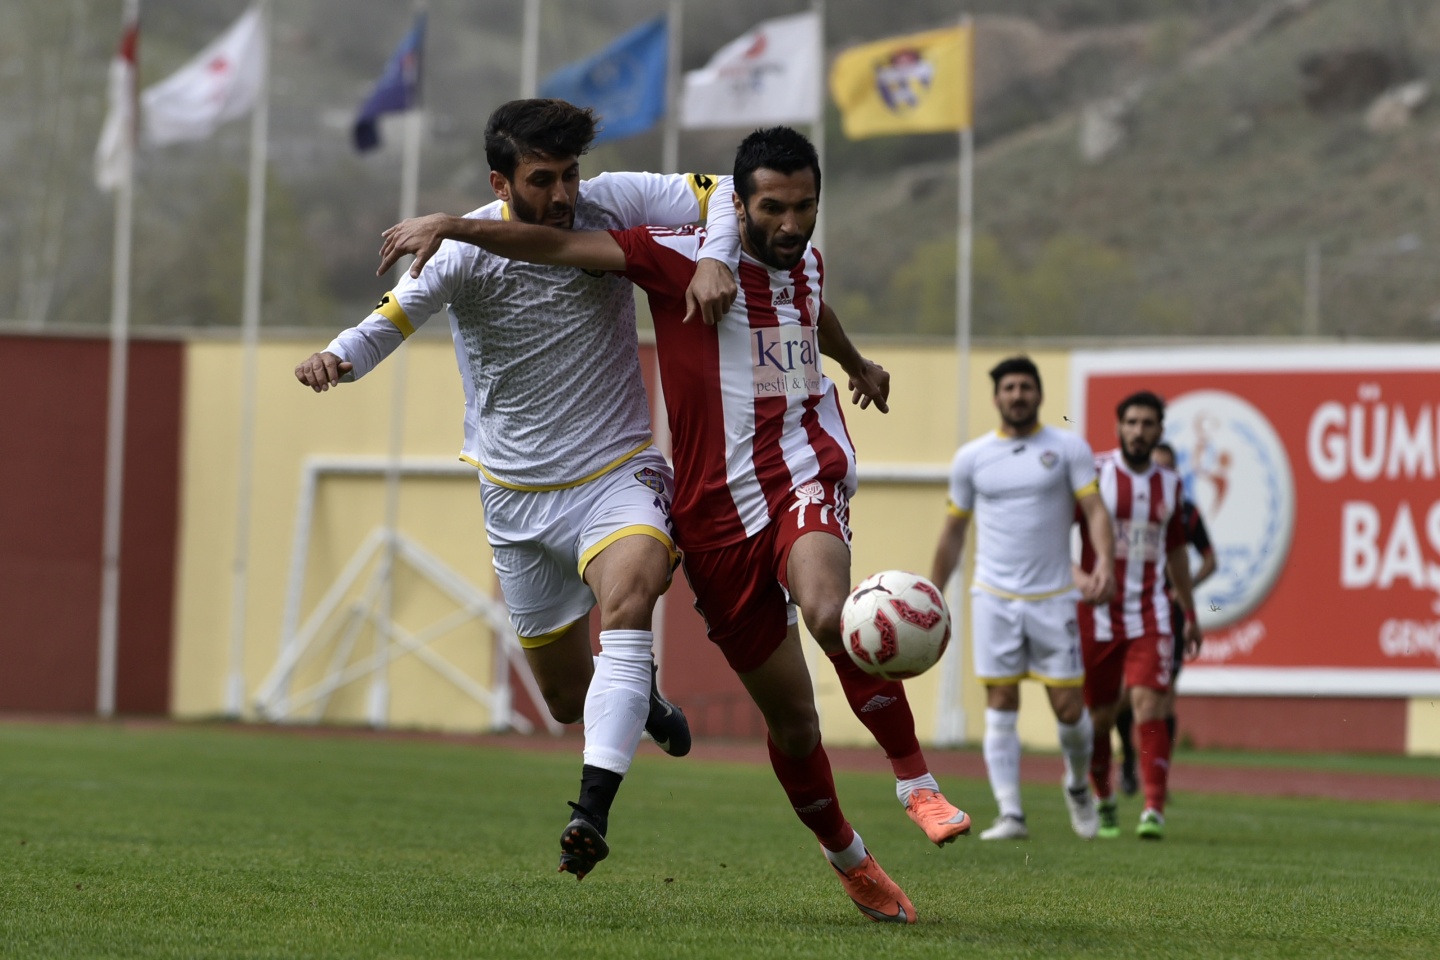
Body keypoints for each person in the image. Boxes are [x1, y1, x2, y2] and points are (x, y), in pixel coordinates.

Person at [380, 126, 970, 924]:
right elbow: (551, 247)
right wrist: (454, 224)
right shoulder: (674, 254)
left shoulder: (805, 262)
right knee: (794, 724)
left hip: (802, 472)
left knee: (834, 612)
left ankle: (917, 783)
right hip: (712, 517)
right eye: (774, 208)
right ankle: (850, 860)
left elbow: (809, 311)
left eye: (806, 207)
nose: (793, 225)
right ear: (739, 202)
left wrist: (854, 364)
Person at [295, 99, 743, 881]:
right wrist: (336, 357)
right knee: (570, 700)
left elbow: (730, 192)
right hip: (515, 499)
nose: (565, 194)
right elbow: (391, 318)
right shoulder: (461, 249)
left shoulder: (615, 200)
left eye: (570, 174)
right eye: (544, 179)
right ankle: (638, 701)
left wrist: (717, 256)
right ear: (501, 182)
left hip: (617, 473)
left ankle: (590, 813)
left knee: (631, 594)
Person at [931, 356, 1115, 841]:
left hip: (1054, 597)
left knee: (1069, 708)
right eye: (1009, 387)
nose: (1017, 395)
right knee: (1001, 698)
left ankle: (1077, 784)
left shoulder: (1068, 448)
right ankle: (1011, 814)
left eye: (1026, 387)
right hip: (992, 596)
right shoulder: (972, 458)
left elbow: (1095, 512)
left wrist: (1104, 566)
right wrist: (932, 591)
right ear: (996, 397)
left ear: (1039, 395)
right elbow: (953, 531)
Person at [1077, 393, 1203, 840]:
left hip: (1151, 611)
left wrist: (1189, 611)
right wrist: (1077, 575)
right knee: (1100, 717)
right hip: (1098, 613)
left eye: (1148, 423)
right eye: (1131, 422)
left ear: (1159, 431)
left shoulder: (1170, 483)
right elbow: (1056, 533)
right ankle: (1104, 797)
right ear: (1119, 427)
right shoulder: (1094, 473)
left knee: (1150, 702)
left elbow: (1176, 553)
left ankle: (1153, 808)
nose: (1139, 430)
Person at [1114, 440, 1215, 797]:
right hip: (1126, 607)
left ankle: (1157, 775)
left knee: (1163, 696)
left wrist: (1181, 591)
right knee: (1124, 697)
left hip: (1165, 614)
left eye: (1168, 467)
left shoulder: (1185, 513)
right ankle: (1128, 760)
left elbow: (1209, 560)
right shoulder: (1121, 505)